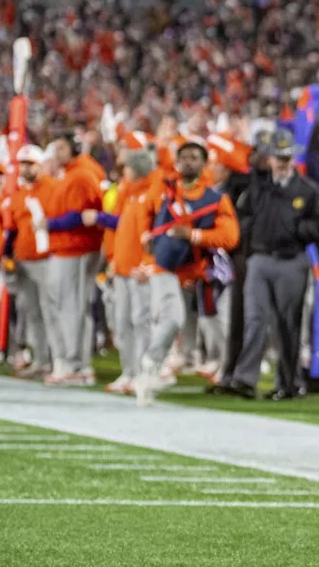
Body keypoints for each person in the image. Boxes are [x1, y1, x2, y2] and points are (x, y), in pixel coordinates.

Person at [214, 129, 319, 400]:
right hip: (261, 259)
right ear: (271, 158)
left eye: (286, 156)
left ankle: (288, 383)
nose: (281, 161)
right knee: (254, 319)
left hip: (292, 261)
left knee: (288, 324)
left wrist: (300, 230)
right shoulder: (258, 188)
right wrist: (252, 233)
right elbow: (240, 217)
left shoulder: (307, 190)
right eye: (278, 156)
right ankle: (244, 379)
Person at [134, 138, 240, 406]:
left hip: (197, 271)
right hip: (166, 267)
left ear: (204, 163)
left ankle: (217, 365)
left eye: (195, 157)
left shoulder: (215, 198)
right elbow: (144, 215)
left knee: (210, 322)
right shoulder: (164, 189)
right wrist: (146, 241)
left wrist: (193, 235)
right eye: (184, 156)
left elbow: (230, 237)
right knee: (173, 319)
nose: (188, 161)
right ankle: (151, 365)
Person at [40, 133, 106, 386]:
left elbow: (80, 215)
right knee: (67, 306)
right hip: (66, 249)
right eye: (55, 147)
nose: (56, 153)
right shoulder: (70, 173)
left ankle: (78, 365)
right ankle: (73, 363)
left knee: (74, 307)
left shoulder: (81, 175)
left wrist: (50, 224)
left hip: (77, 249)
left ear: (75, 148)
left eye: (61, 147)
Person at [98, 149, 162, 393]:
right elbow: (120, 232)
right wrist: (114, 260)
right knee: (122, 322)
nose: (124, 170)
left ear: (136, 169)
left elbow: (155, 234)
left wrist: (149, 262)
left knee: (141, 322)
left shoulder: (154, 193)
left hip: (140, 270)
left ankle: (144, 375)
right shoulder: (130, 193)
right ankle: (129, 372)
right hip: (123, 267)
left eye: (127, 167)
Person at [1, 145, 55, 380]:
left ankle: (58, 360)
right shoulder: (20, 193)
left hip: (47, 259)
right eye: (23, 164)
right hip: (24, 261)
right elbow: (12, 229)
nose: (26, 168)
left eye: (30, 164)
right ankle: (41, 359)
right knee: (32, 313)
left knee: (52, 311)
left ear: (41, 165)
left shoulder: (52, 189)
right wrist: (6, 255)